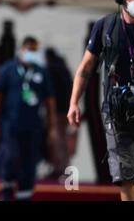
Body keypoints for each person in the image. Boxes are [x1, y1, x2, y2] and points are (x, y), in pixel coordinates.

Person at [67, 0, 134, 201]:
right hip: (116, 112)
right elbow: (85, 68)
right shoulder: (106, 26)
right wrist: (74, 103)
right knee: (125, 177)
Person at [0, 36, 56, 201]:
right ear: (22, 50)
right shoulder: (8, 69)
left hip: (33, 126)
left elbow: (50, 101)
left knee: (29, 164)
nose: (32, 54)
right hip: (10, 125)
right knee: (9, 158)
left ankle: (24, 195)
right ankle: (6, 193)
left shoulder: (41, 71)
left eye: (35, 50)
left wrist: (52, 127)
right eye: (30, 50)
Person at [44, 48, 74, 180]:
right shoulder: (64, 69)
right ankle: (64, 168)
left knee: (57, 140)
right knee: (62, 140)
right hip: (66, 109)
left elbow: (50, 91)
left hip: (57, 110)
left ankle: (60, 169)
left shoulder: (51, 69)